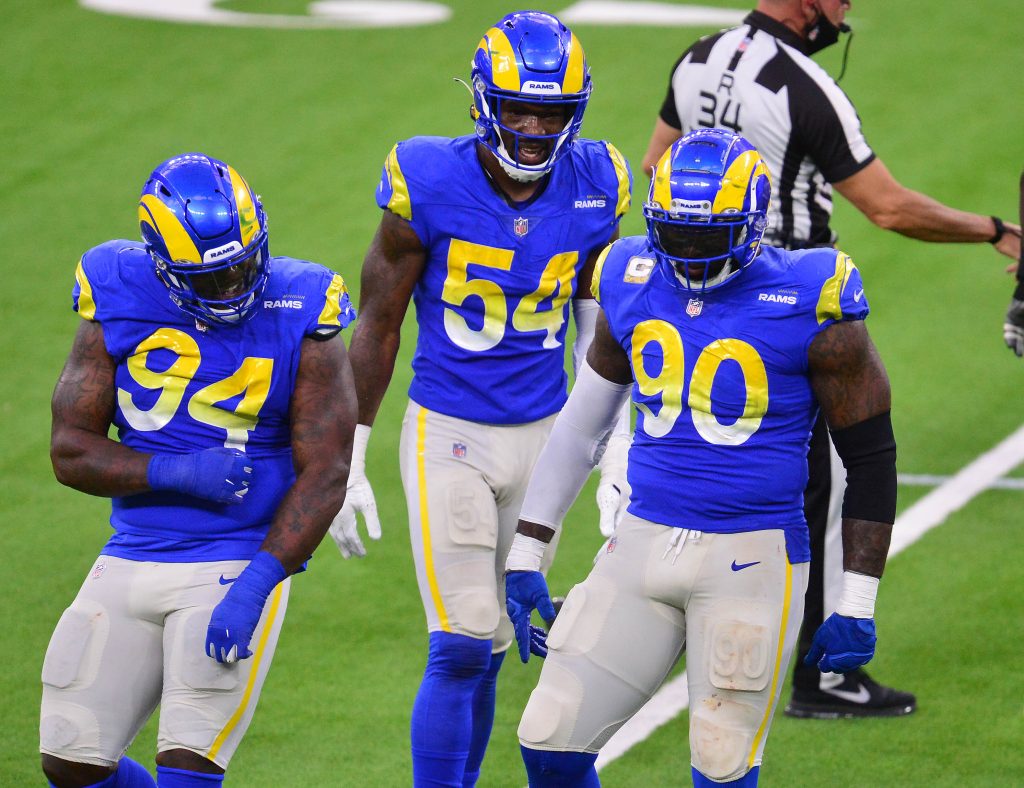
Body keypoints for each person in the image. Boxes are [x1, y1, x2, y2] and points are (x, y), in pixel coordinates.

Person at [639, 0, 1022, 719]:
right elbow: (889, 207)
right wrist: (996, 230)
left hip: (691, 299)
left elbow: (657, 168)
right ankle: (820, 671)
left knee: (690, 463)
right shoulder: (806, 88)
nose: (848, 7)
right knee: (825, 486)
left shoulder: (696, 57)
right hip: (785, 306)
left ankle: (654, 618)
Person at [505, 129, 898, 786]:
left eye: (705, 234)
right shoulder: (629, 277)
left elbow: (871, 456)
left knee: (721, 763)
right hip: (641, 543)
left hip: (753, 556)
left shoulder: (812, 295)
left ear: (750, 224)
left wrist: (857, 599)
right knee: (548, 737)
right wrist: (528, 549)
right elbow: (582, 424)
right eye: (675, 232)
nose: (687, 250)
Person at [323, 10, 632, 786]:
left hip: (549, 440)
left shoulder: (599, 182)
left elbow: (601, 331)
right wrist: (347, 458)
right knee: (460, 637)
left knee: (494, 642)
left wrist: (616, 444)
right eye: (518, 107)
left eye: (550, 111)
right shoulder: (426, 176)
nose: (532, 127)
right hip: (449, 428)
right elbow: (379, 326)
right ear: (482, 100)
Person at [41, 153, 358, 788]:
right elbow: (69, 449)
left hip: (232, 559)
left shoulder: (303, 301)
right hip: (132, 551)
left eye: (241, 265)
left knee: (186, 773)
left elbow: (327, 470)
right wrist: (173, 471)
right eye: (209, 279)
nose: (233, 286)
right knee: (70, 764)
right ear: (160, 263)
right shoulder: (115, 285)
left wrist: (258, 582)